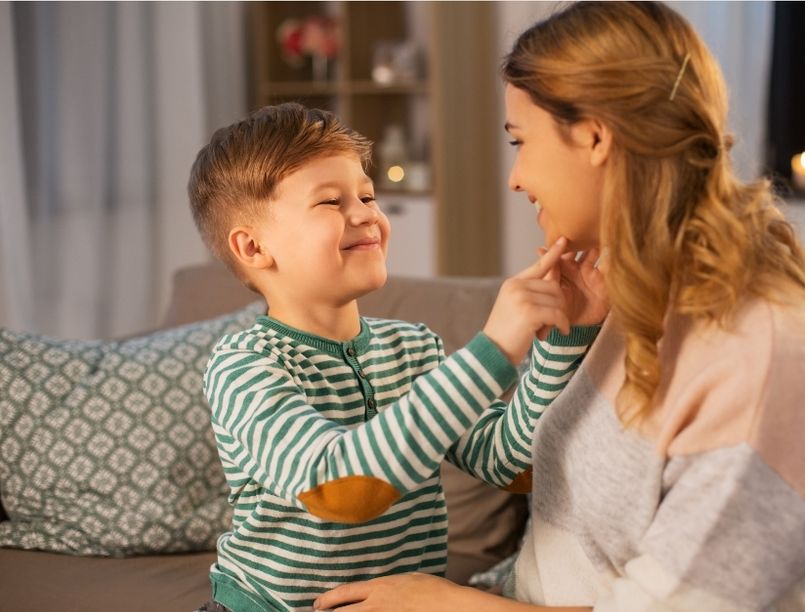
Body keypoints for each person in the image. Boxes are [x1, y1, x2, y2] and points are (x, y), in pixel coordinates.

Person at [314, 2, 805, 611]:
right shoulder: (635, 304)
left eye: (520, 141)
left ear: (596, 136)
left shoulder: (762, 356)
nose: (516, 177)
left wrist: (448, 605)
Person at [186, 103, 607, 611]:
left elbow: (514, 464)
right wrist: (494, 347)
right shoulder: (245, 367)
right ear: (253, 248)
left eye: (366, 194)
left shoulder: (414, 348)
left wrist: (564, 338)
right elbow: (341, 489)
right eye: (330, 202)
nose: (364, 212)